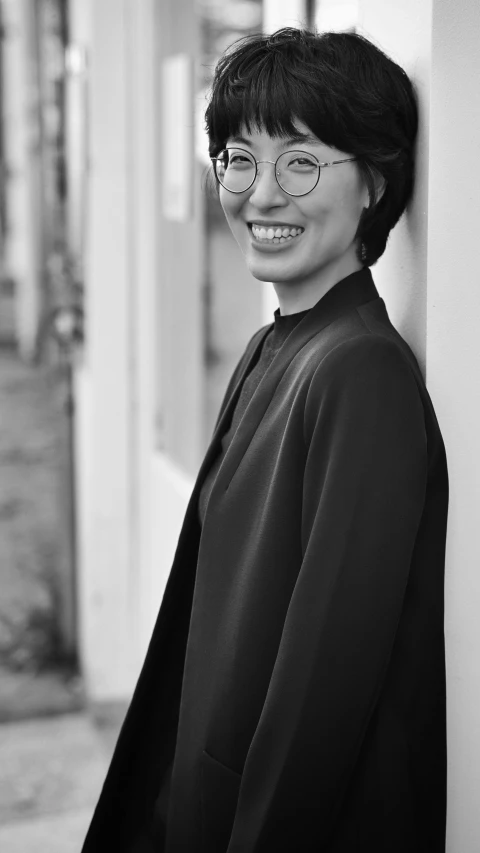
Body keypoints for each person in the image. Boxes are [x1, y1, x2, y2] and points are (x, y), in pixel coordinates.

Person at [81, 27, 449, 853]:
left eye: (302, 161)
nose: (260, 194)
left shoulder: (362, 373)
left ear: (375, 184)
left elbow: (325, 685)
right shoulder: (280, 343)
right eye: (238, 158)